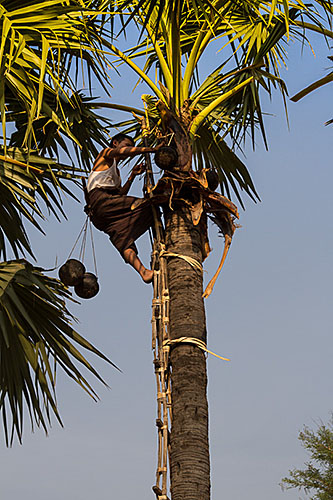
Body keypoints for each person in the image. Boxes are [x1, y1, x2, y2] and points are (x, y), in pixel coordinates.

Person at [86, 133, 160, 283]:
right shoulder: (105, 154)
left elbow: (120, 194)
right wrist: (150, 149)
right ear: (115, 143)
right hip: (102, 200)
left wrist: (132, 176)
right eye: (127, 145)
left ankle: (143, 272)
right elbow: (121, 152)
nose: (129, 150)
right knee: (149, 204)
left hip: (102, 214)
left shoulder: (116, 172)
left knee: (122, 239)